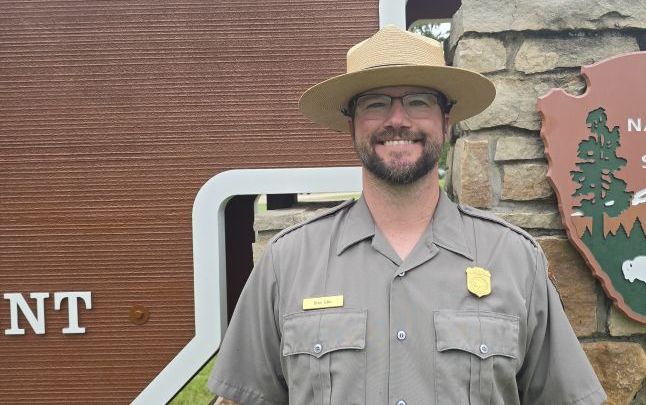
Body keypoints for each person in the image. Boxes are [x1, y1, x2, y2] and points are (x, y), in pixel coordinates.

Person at [207, 25, 606, 405]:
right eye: (376, 103)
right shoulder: (287, 262)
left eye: (418, 101)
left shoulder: (516, 260)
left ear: (447, 122)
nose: (397, 120)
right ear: (352, 126)